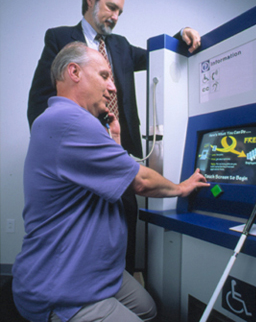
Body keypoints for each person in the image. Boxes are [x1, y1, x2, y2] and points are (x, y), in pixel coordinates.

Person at [13, 42, 209, 322]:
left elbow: (109, 181)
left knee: (148, 309)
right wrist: (182, 187)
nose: (113, 87)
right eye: (104, 76)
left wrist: (114, 141)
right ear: (74, 72)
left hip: (93, 272)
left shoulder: (61, 120)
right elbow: (139, 181)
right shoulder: (70, 120)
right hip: (61, 288)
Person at [27, 0, 202, 274]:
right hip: (82, 151)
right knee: (86, 224)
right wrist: (70, 138)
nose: (116, 17)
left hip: (118, 148)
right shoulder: (58, 38)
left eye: (120, 11)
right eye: (111, 7)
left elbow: (154, 57)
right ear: (90, 0)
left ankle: (123, 286)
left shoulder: (119, 46)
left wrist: (182, 36)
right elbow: (39, 102)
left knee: (125, 213)